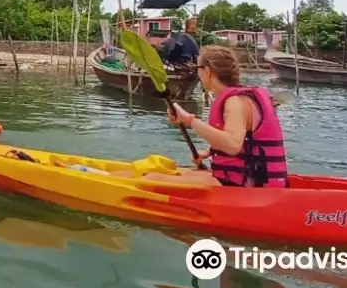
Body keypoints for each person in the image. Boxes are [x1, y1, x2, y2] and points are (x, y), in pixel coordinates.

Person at [106, 45, 288, 187]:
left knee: (152, 178)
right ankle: (97, 174)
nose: (197, 72)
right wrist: (210, 152)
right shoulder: (240, 97)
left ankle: (99, 180)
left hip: (247, 185)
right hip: (245, 179)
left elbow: (233, 145)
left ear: (207, 71)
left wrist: (190, 121)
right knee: (176, 173)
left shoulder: (235, 101)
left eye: (198, 67)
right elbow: (246, 142)